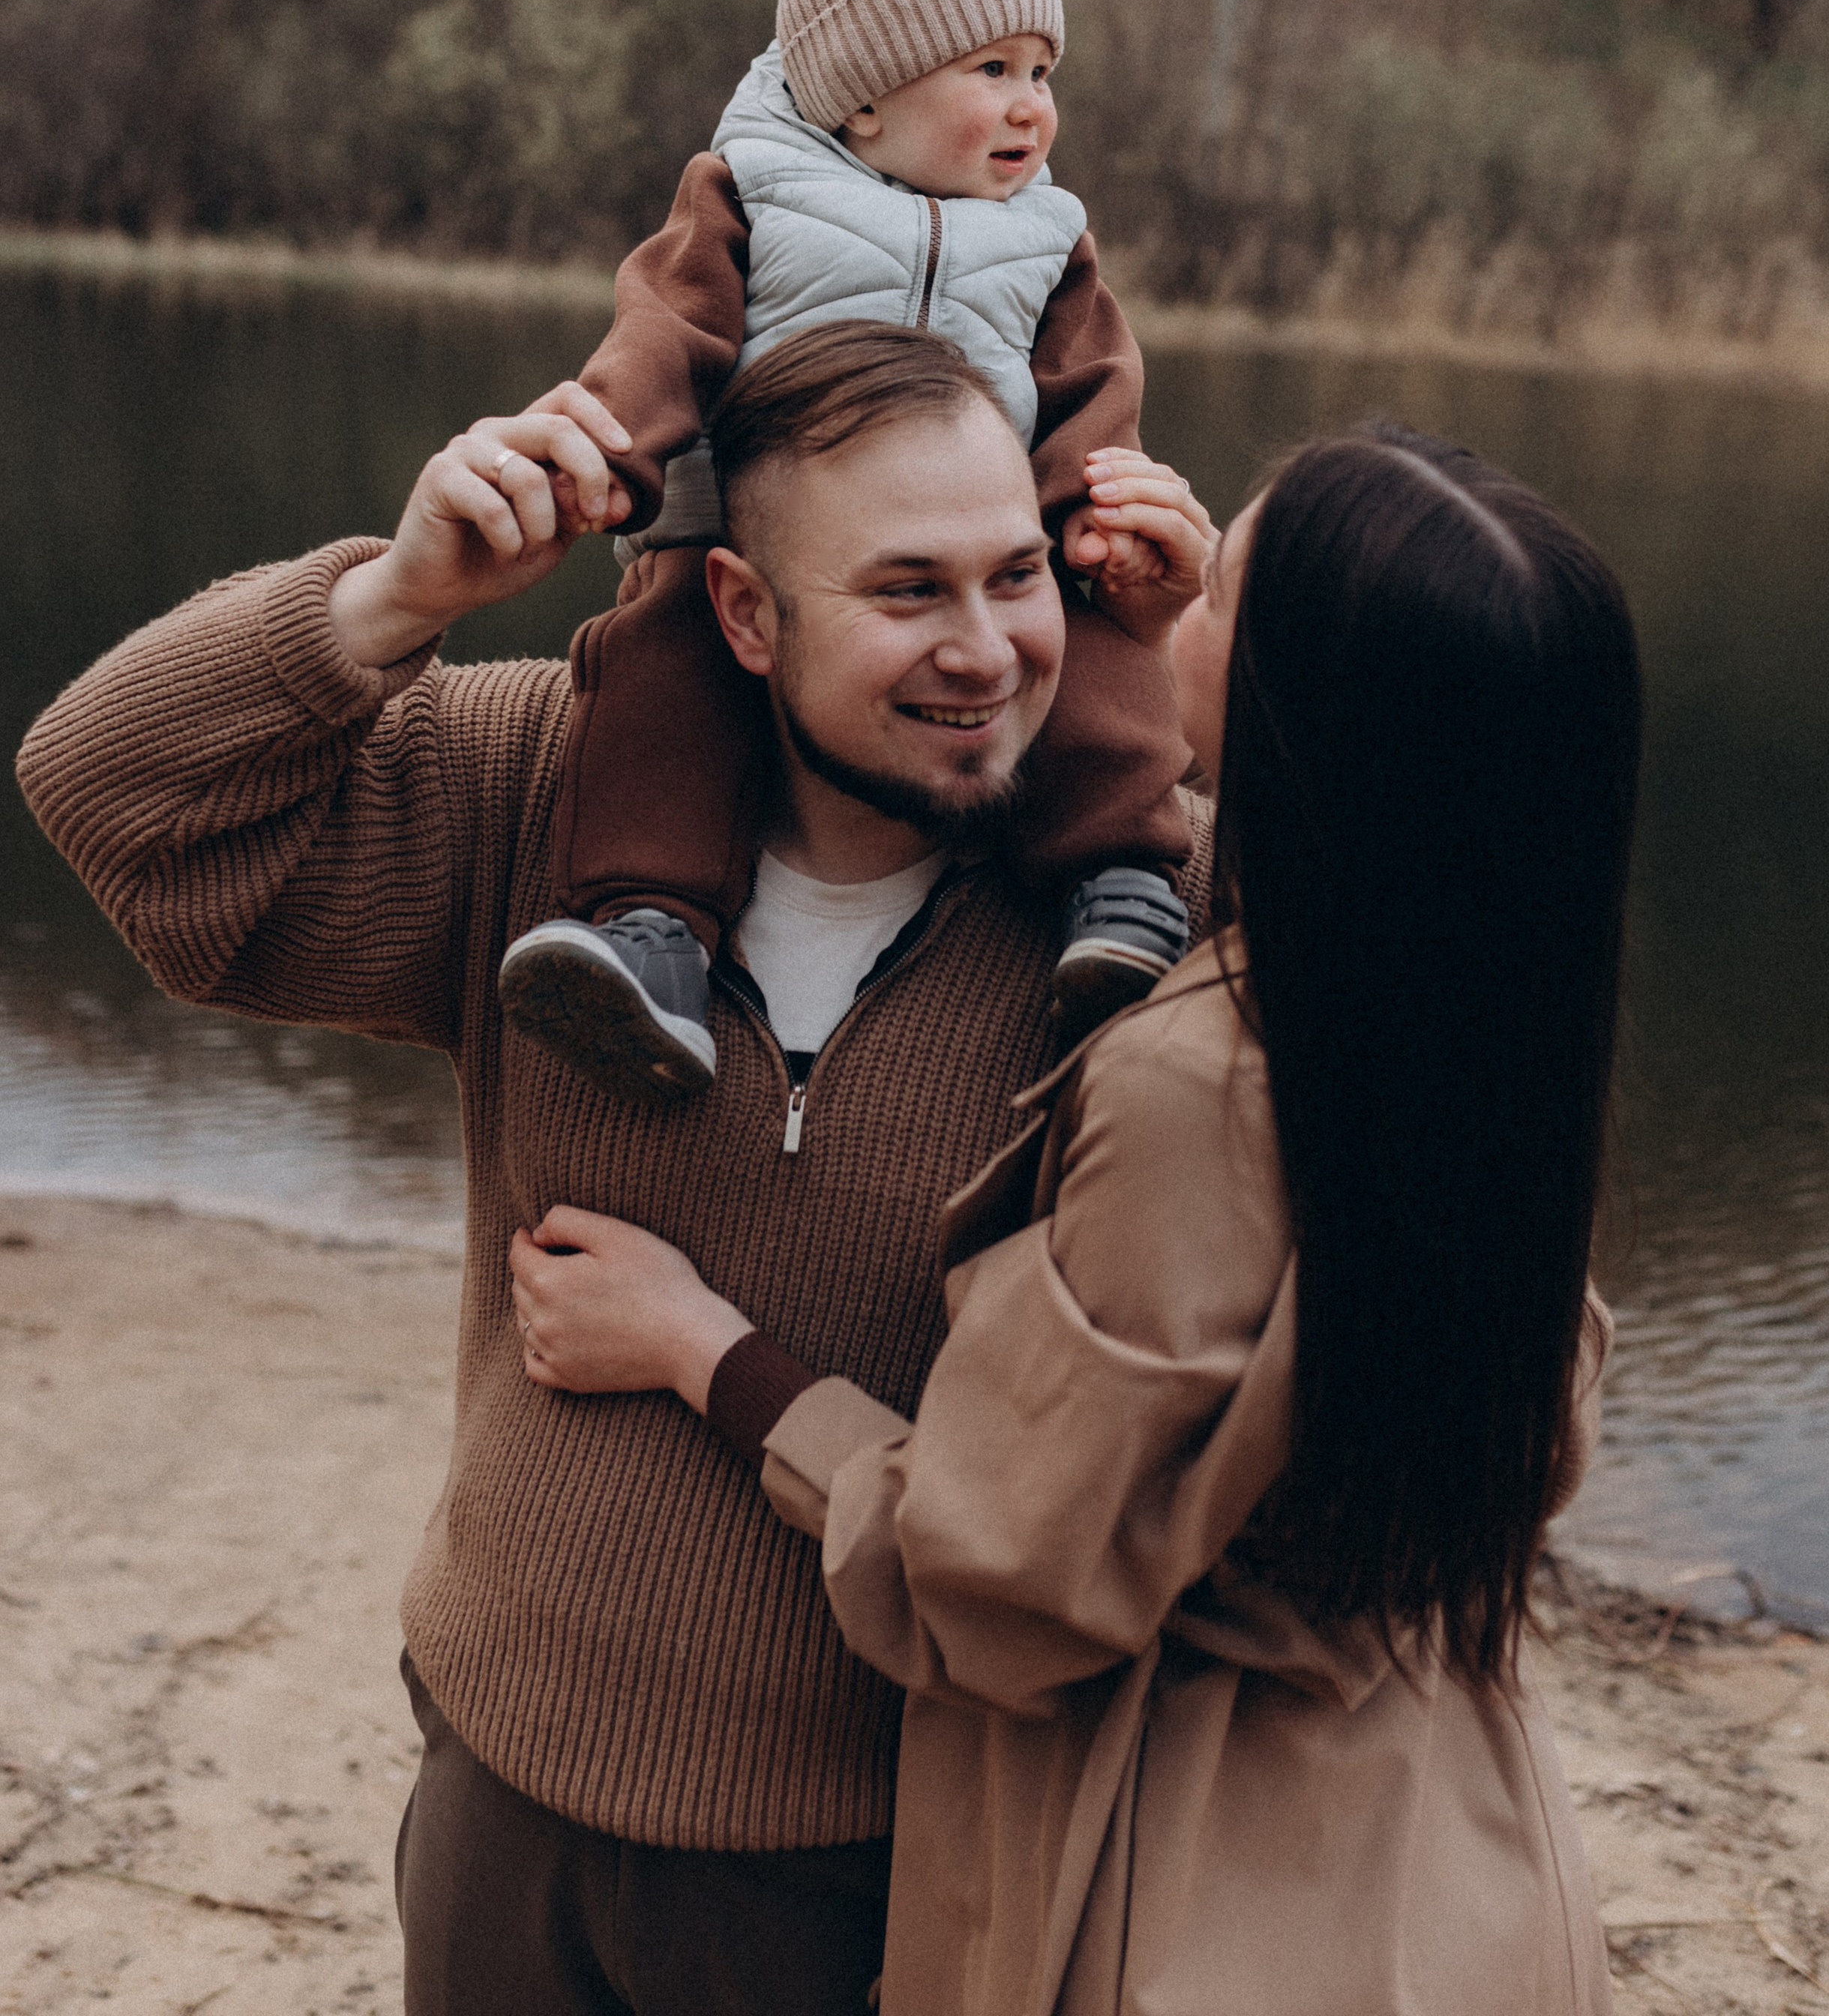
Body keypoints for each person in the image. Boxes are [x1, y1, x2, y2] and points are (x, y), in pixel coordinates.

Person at [14, 322, 1217, 2016]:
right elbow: (111, 795)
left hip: (898, 1842)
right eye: (904, 592)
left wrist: (1206, 669)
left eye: (1015, 574)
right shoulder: (542, 794)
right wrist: (395, 603)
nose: (985, 652)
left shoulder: (1146, 910)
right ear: (740, 610)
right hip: (508, 1785)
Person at [509, 421, 1641, 2016]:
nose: (1155, 604)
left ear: (1304, 709)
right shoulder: (1499, 1027)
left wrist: (706, 1351)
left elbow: (995, 1581)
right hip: (1454, 1858)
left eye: (1215, 588)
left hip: (1197, 1891)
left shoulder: (1204, 1082)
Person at [499, 0, 1194, 1100]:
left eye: (1043, 74)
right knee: (661, 673)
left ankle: (1121, 888)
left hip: (988, 524)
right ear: (864, 100)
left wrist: (1095, 514)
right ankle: (650, 937)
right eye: (990, 72)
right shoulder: (756, 188)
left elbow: (1092, 382)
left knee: (1089, 642)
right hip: (737, 515)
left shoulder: (1045, 238)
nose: (1031, 108)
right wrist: (611, 453)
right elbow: (667, 329)